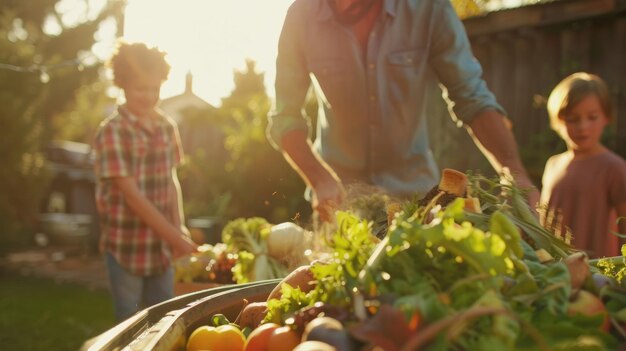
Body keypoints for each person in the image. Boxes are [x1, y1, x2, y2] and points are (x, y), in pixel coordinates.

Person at [267, 0, 538, 221]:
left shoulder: (428, 9)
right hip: (338, 211)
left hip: (418, 207)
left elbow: (472, 97)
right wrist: (320, 179)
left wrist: (514, 173)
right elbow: (284, 118)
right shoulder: (301, 17)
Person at [93, 41, 198, 321]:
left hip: (160, 250)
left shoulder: (166, 127)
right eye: (141, 88)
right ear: (123, 84)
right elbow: (132, 197)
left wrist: (179, 227)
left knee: (163, 319)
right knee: (130, 321)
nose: (148, 95)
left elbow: (170, 179)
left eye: (155, 88)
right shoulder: (113, 132)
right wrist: (174, 236)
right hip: (125, 246)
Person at [540, 72, 626, 258]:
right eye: (573, 119)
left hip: (598, 279)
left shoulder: (615, 168)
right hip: (554, 273)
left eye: (592, 117)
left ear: (607, 118)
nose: (583, 127)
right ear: (557, 121)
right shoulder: (553, 165)